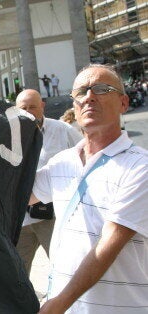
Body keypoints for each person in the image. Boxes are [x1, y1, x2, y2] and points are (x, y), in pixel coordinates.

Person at [31, 64, 147, 313]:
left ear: (124, 103)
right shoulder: (61, 162)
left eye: (102, 89)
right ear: (74, 105)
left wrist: (60, 303)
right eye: (81, 92)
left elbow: (108, 245)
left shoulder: (140, 166)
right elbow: (15, 196)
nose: (89, 97)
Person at [15, 90, 82, 276]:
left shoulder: (63, 130)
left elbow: (86, 157)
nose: (28, 111)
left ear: (42, 106)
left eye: (33, 107)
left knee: (63, 268)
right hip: (23, 220)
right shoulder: (8, 134)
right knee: (18, 272)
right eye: (24, 108)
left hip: (52, 217)